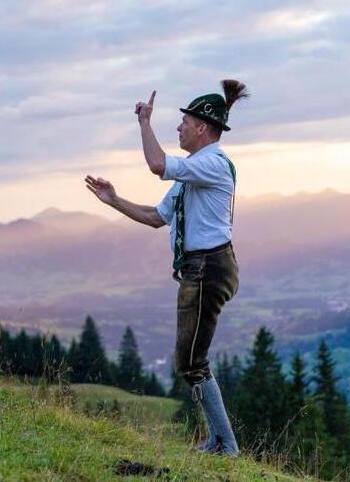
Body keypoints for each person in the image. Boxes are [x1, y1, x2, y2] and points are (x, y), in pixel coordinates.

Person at [84, 80, 248, 455]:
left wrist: (144, 122)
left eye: (184, 123)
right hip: (203, 268)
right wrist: (113, 200)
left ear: (202, 127)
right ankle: (219, 441)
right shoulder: (193, 172)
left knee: (191, 360)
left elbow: (157, 164)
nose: (178, 128)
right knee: (190, 360)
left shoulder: (212, 163)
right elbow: (156, 217)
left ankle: (225, 444)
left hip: (208, 267)